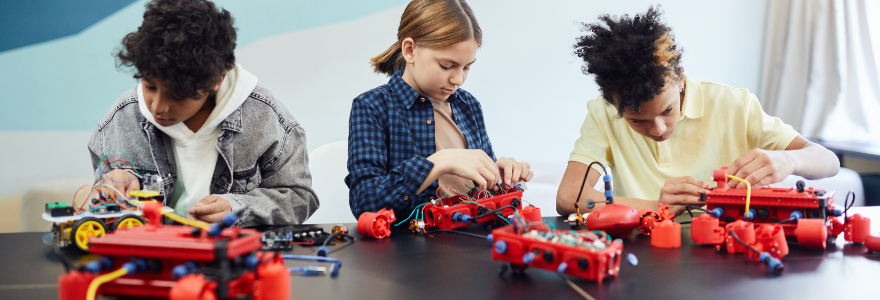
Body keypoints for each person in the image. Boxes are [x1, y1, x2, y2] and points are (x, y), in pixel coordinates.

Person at [556, 6, 840, 216]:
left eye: (667, 110)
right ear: (612, 102)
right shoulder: (602, 112)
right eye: (637, 121)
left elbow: (828, 161)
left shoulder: (735, 105)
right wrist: (656, 206)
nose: (658, 129)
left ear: (680, 79)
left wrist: (786, 161)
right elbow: (569, 197)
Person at [88, 0, 318, 226]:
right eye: (149, 86)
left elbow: (300, 199)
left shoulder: (266, 119)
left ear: (216, 80)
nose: (158, 106)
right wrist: (112, 189)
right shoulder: (122, 118)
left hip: (229, 258)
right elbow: (101, 211)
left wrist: (235, 207)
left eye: (178, 96)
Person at [346, 0, 533, 218]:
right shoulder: (372, 107)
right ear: (410, 50)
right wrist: (438, 162)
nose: (458, 79)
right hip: (413, 248)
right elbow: (365, 202)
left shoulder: (468, 106)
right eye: (446, 66)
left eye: (466, 67)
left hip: (473, 239)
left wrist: (501, 178)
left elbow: (488, 196)